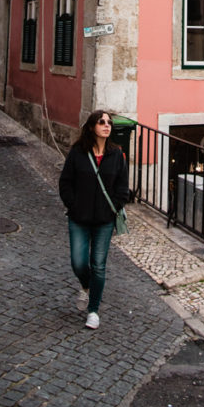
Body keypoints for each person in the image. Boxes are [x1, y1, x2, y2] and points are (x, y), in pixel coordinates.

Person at [59, 109, 129, 330]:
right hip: (79, 218)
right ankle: (87, 287)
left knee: (98, 265)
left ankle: (93, 310)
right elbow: (65, 183)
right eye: (101, 122)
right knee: (78, 262)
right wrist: (74, 204)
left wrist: (113, 209)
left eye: (109, 122)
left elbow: (122, 188)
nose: (107, 125)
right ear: (91, 127)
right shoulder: (78, 153)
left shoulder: (117, 154)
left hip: (104, 221)